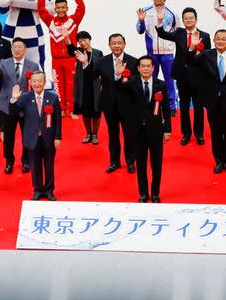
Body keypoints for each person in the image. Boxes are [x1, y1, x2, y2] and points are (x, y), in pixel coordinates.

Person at [189, 29, 226, 173]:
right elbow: (190, 62)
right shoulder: (205, 55)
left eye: (224, 39)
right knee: (215, 133)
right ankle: (219, 161)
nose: (221, 41)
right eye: (218, 39)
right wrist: (192, 47)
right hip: (212, 101)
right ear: (214, 41)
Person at [115, 56, 172, 203]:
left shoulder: (161, 84)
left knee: (156, 164)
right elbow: (119, 89)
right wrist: (118, 75)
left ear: (153, 68)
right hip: (137, 131)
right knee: (140, 164)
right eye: (143, 66)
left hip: (156, 130)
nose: (146, 69)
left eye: (149, 66)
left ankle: (155, 194)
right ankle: (143, 194)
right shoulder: (131, 82)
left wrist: (168, 130)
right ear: (138, 68)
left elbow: (166, 108)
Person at [0, 37, 41, 174]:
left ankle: (26, 160)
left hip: (26, 107)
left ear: (25, 49)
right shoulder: (4, 63)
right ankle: (9, 161)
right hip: (7, 106)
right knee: (8, 137)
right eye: (14, 47)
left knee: (27, 135)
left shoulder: (33, 66)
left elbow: (38, 84)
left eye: (20, 46)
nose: (17, 49)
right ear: (11, 49)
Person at [156, 7, 209, 145]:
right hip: (182, 74)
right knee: (184, 107)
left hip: (198, 76)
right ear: (183, 20)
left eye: (191, 18)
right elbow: (162, 34)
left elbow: (207, 57)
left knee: (198, 107)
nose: (189, 20)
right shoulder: (178, 33)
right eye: (186, 18)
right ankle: (186, 134)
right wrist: (160, 21)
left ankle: (199, 134)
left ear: (196, 19)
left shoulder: (205, 35)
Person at [9, 71, 62, 200]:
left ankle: (49, 190)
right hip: (32, 138)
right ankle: (38, 190)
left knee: (49, 165)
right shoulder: (25, 98)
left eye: (40, 81)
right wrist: (13, 99)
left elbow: (57, 119)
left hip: (49, 138)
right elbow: (13, 113)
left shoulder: (53, 98)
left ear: (44, 82)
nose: (37, 83)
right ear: (30, 83)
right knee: (35, 165)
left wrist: (58, 137)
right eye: (34, 81)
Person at [38, 0, 85, 119]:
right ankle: (62, 110)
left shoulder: (73, 20)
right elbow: (40, 10)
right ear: (55, 9)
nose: (60, 10)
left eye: (63, 8)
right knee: (58, 86)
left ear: (67, 8)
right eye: (58, 8)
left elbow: (82, 8)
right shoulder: (50, 21)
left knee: (71, 86)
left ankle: (70, 110)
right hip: (56, 60)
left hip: (70, 59)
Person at [136, 0, 179, 116]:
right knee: (150, 79)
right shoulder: (145, 10)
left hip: (167, 52)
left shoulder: (172, 13)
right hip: (152, 53)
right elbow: (139, 30)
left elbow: (178, 31)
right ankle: (149, 104)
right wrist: (141, 20)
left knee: (169, 80)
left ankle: (172, 106)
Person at [99, 33, 138, 173]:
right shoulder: (102, 61)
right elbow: (91, 75)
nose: (117, 45)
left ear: (124, 44)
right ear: (109, 45)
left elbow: (135, 83)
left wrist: (121, 76)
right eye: (114, 43)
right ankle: (114, 162)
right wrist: (85, 63)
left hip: (128, 105)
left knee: (129, 135)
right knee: (113, 135)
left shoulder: (133, 62)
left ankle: (130, 161)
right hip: (109, 105)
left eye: (119, 43)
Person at [73, 31, 103, 144]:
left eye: (84, 39)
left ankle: (95, 134)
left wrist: (102, 85)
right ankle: (88, 133)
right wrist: (66, 37)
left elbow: (102, 70)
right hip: (82, 86)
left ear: (89, 40)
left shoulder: (98, 53)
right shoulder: (78, 52)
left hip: (95, 85)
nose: (82, 42)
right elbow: (70, 47)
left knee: (96, 111)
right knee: (85, 112)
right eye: (80, 41)